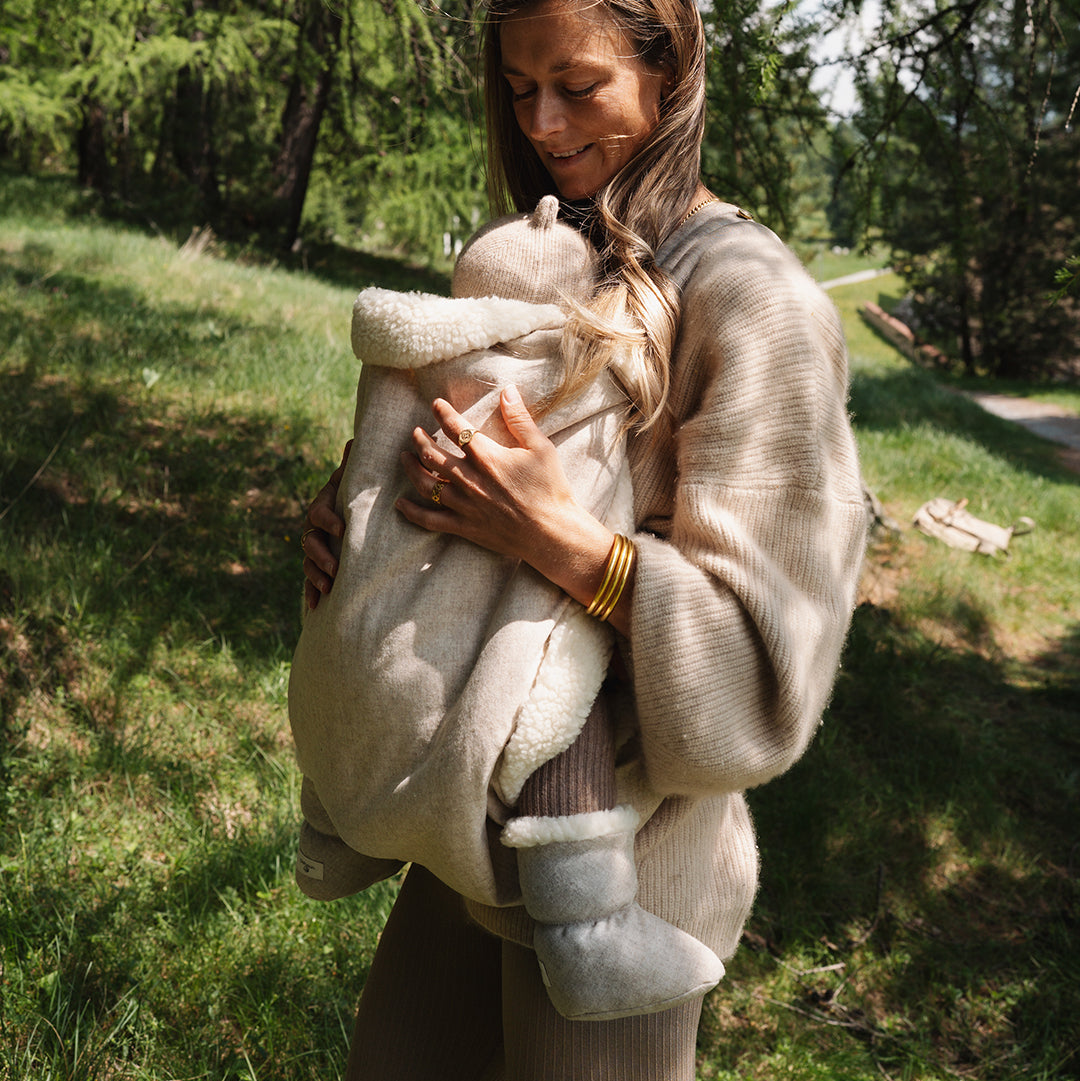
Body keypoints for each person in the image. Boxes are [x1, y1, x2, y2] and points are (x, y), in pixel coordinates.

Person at [298, 0, 867, 1076]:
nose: (546, 127)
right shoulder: (558, 259)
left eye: (580, 85)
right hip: (472, 823)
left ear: (669, 69)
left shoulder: (757, 304)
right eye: (519, 90)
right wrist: (362, 529)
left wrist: (566, 547)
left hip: (634, 878)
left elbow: (763, 681)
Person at [288, 193, 724, 1022]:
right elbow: (597, 496)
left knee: (349, 654)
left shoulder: (402, 362)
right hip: (499, 651)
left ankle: (331, 836)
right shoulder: (581, 376)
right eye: (524, 91)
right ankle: (587, 926)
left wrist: (353, 510)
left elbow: (369, 468)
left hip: (383, 642)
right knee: (557, 691)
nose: (547, 120)